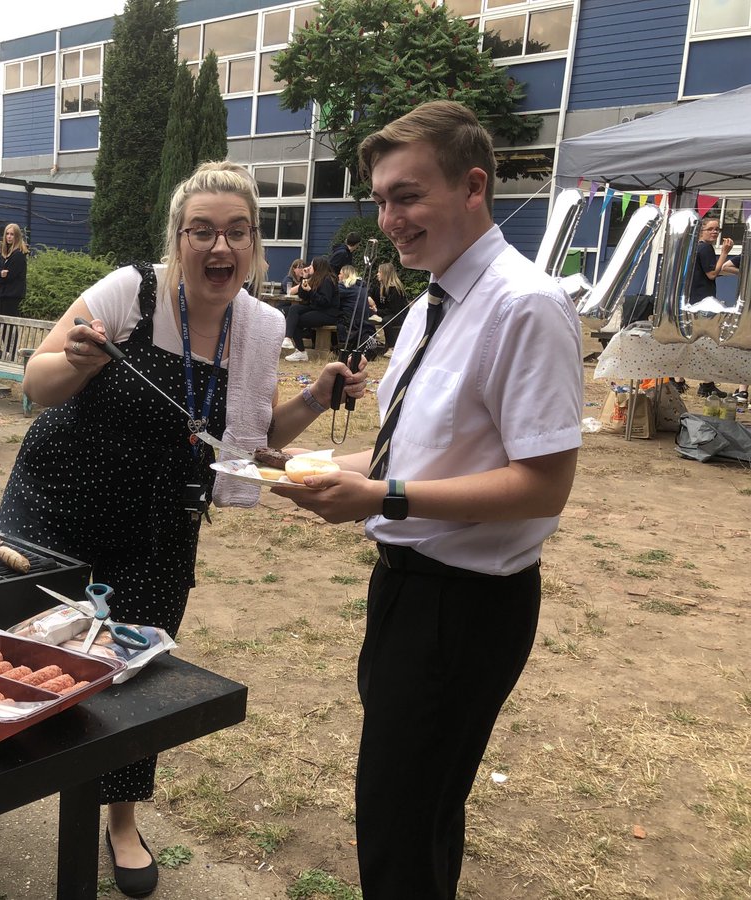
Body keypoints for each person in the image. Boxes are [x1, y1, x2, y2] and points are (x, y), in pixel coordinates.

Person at [0, 160, 366, 898]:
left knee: (135, 675)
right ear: (178, 238)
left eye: (237, 231)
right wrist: (76, 361)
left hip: (159, 529)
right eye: (202, 231)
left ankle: (121, 820)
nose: (220, 246)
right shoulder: (130, 292)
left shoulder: (260, 327)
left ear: (254, 244)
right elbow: (35, 382)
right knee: (16, 651)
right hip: (56, 506)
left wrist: (316, 398)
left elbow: (247, 441)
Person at [275, 100, 582, 899]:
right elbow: (406, 457)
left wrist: (384, 496)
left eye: (407, 196)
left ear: (473, 187)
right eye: (382, 200)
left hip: (467, 608)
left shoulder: (525, 305)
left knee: (400, 828)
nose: (390, 220)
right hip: (405, 593)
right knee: (414, 816)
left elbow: (545, 484)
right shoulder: (429, 305)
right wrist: (297, 464)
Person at [690, 216, 740, 399]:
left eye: (717, 229)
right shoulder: (705, 248)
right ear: (701, 231)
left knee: (698, 341)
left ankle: (682, 380)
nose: (715, 232)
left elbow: (710, 272)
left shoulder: (697, 248)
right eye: (710, 229)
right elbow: (711, 273)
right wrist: (725, 252)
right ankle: (706, 384)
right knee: (707, 341)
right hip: (703, 301)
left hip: (695, 298)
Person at [283, 256, 340, 362]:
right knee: (294, 309)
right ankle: (287, 338)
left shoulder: (327, 280)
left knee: (296, 321)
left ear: (318, 267)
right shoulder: (315, 278)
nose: (309, 267)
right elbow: (303, 295)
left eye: (312, 265)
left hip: (327, 313)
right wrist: (304, 278)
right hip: (316, 308)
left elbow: (325, 302)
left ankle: (301, 351)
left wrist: (310, 291)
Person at [368, 261, 408, 350]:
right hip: (383, 312)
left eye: (379, 272)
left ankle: (391, 347)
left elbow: (394, 310)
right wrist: (369, 297)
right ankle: (371, 344)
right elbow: (369, 292)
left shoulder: (395, 289)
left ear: (386, 274)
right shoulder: (378, 285)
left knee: (387, 320)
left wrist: (377, 311)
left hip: (398, 314)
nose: (377, 274)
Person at [0, 223, 29, 317]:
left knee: (7, 322)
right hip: (3, 293)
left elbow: (9, 276)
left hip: (12, 295)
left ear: (17, 236)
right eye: (7, 234)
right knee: (2, 322)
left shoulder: (18, 255)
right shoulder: (5, 254)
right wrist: (0, 274)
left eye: (12, 234)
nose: (9, 237)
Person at [279, 259, 308, 344]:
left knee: (299, 315)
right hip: (285, 305)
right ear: (294, 269)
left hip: (297, 306)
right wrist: (302, 285)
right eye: (300, 267)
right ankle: (287, 339)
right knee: (293, 314)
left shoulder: (304, 279)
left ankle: (297, 342)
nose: (302, 270)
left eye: (303, 267)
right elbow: (290, 291)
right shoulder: (288, 279)